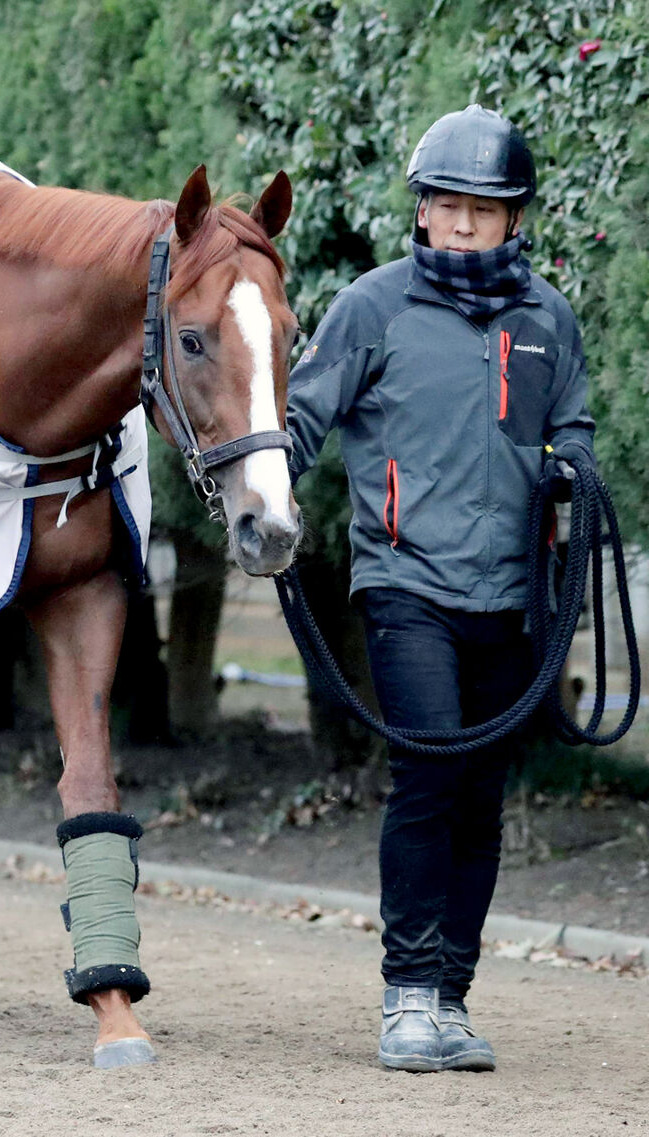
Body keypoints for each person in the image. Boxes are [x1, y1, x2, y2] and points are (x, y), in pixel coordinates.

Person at [285, 105, 595, 1073]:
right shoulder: (371, 309)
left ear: (515, 219)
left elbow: (576, 427)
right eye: (444, 206)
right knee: (427, 777)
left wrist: (574, 473)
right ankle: (406, 996)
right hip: (404, 582)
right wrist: (257, 496)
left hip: (514, 595)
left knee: (482, 797)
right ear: (420, 213)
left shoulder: (548, 319)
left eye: (481, 210)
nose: (460, 225)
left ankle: (452, 997)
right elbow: (298, 420)